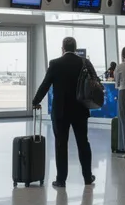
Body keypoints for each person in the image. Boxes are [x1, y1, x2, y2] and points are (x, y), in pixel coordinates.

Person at [31, 36, 97, 188]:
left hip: (60, 111)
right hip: (81, 109)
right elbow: (95, 81)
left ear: (63, 48)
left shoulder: (55, 63)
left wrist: (36, 101)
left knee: (61, 144)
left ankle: (61, 179)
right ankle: (87, 177)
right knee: (83, 143)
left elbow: (45, 84)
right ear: (75, 48)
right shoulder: (84, 62)